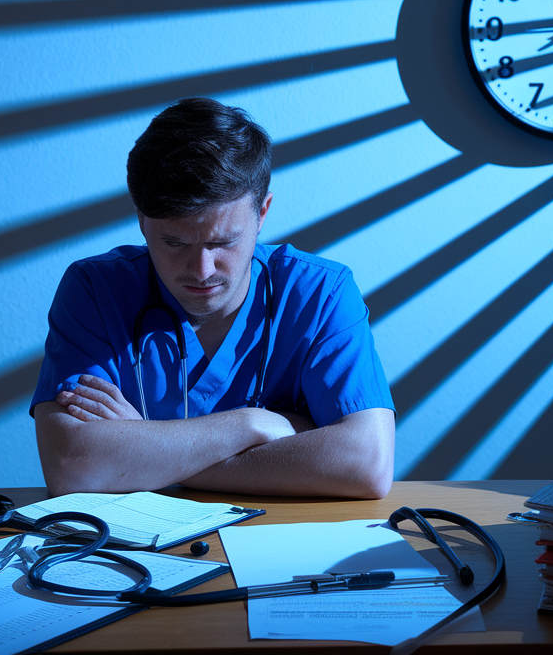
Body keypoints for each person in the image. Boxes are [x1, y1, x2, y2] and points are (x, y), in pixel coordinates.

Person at [31, 98, 395, 498]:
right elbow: (72, 467)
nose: (201, 270)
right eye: (173, 242)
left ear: (262, 212)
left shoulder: (321, 293)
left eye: (223, 241)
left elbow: (366, 465)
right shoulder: (94, 291)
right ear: (141, 218)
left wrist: (144, 450)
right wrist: (250, 425)